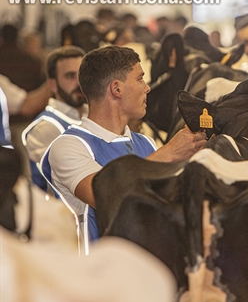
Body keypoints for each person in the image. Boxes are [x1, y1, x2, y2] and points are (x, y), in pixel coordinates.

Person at [41, 46, 207, 244]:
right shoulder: (69, 145)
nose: (147, 88)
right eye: (139, 79)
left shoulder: (146, 143)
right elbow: (105, 196)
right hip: (95, 271)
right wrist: (169, 154)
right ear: (116, 89)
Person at [22, 46, 87, 191]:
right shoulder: (46, 127)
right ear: (53, 84)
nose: (79, 82)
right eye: (70, 76)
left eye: (82, 74)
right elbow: (74, 182)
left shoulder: (94, 114)